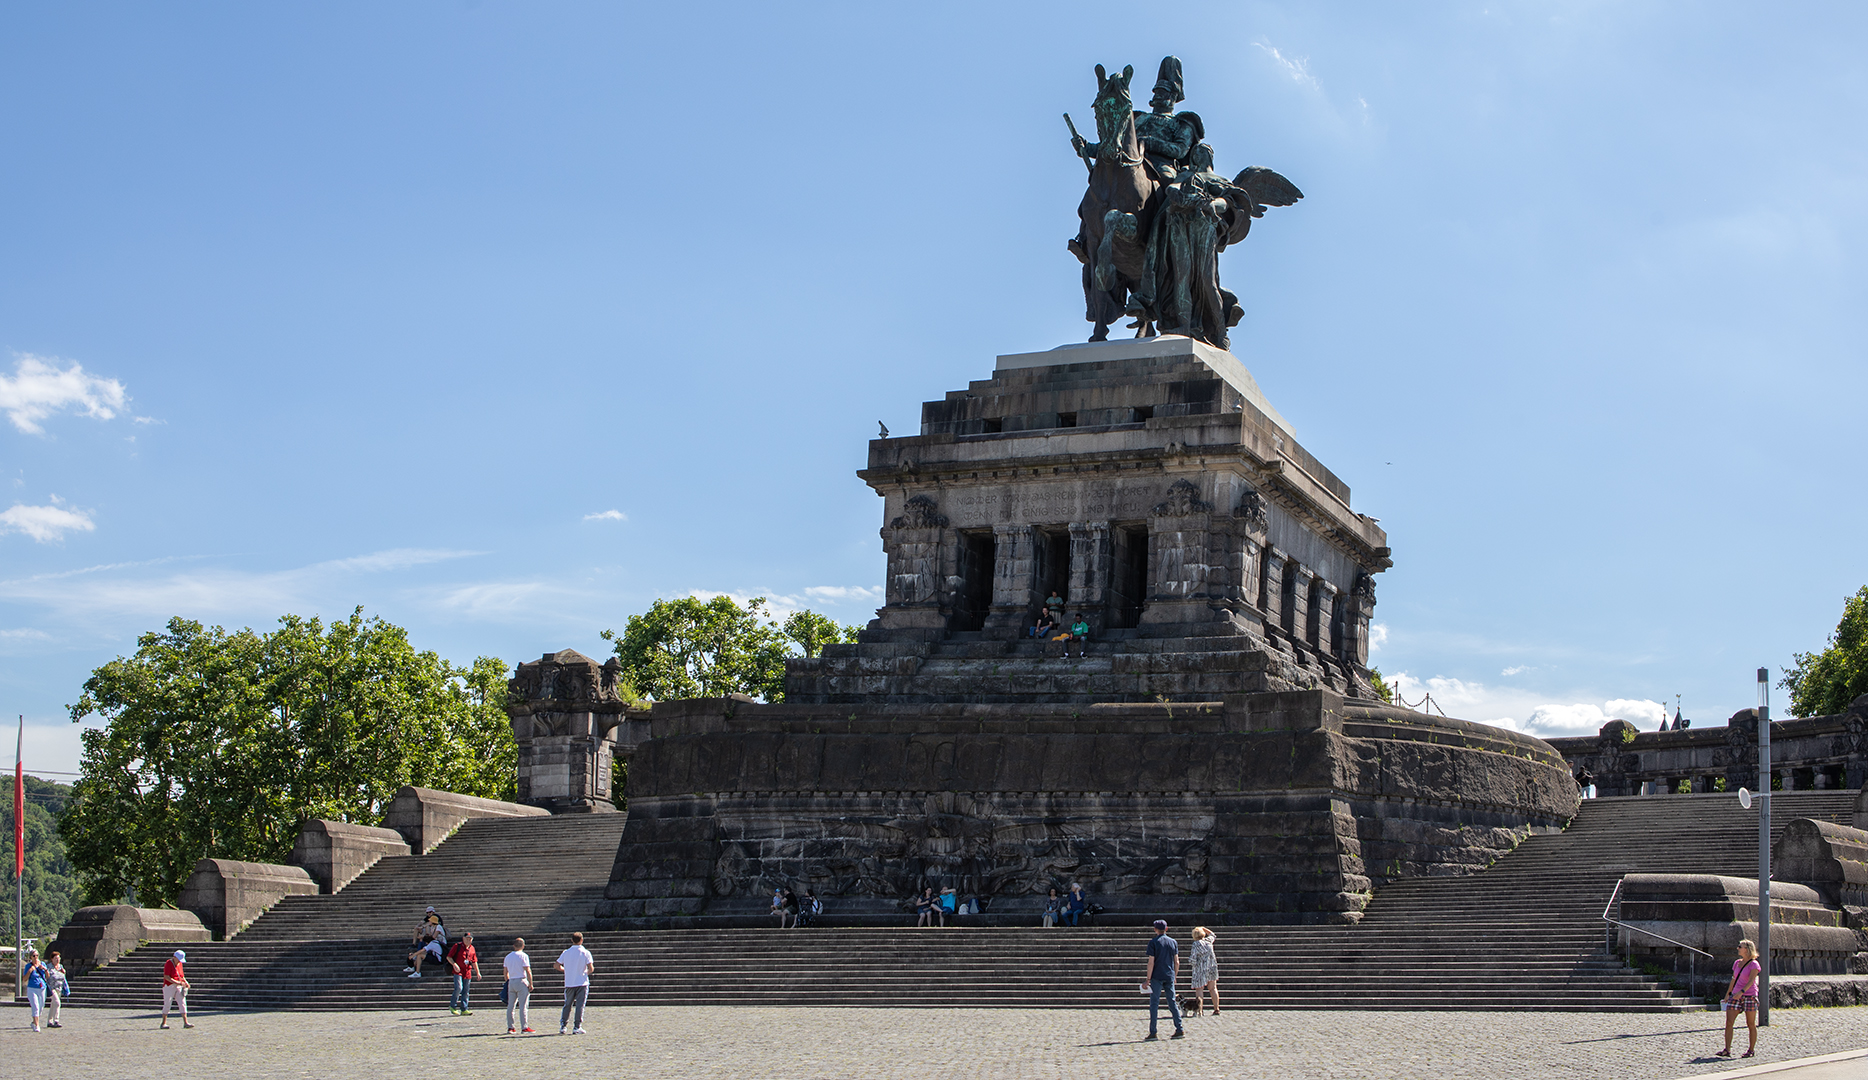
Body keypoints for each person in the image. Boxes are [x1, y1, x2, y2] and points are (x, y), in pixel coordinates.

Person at [1717, 938, 1762, 1059]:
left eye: (1740, 946)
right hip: (1735, 995)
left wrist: (1742, 992)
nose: (1738, 948)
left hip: (1749, 995)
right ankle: (1727, 1049)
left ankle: (1751, 1050)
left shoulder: (1754, 964)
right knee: (1729, 1022)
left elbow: (1751, 980)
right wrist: (1728, 994)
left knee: (1750, 1024)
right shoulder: (1737, 963)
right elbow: (1733, 979)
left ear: (1747, 949)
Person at [1142, 919, 1184, 1041]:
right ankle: (1179, 1028)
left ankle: (1153, 1032)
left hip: (1156, 976)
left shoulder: (1153, 942)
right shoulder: (1173, 942)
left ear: (1155, 929)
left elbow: (1151, 962)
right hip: (1169, 975)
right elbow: (1176, 961)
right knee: (1172, 1002)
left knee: (1154, 1004)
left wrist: (1147, 979)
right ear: (1166, 929)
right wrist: (1175, 976)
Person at [555, 931, 595, 1035]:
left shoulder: (566, 952)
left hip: (569, 982)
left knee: (567, 1004)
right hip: (581, 982)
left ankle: (563, 1025)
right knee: (580, 1005)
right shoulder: (585, 952)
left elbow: (556, 965)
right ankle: (577, 1026)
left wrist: (566, 970)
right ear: (582, 940)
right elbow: (591, 968)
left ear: (572, 940)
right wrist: (585, 973)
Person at [503, 937, 534, 1035]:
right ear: (523, 946)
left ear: (514, 945)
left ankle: (510, 1027)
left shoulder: (508, 957)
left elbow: (505, 972)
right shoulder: (523, 956)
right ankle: (524, 1026)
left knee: (510, 1006)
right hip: (521, 980)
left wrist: (507, 981)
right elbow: (527, 970)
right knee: (523, 1006)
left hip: (512, 981)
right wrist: (531, 983)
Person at [446, 930, 480, 1016]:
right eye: (467, 938)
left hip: (467, 971)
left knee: (466, 991)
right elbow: (449, 957)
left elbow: (474, 961)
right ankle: (453, 1006)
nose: (468, 940)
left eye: (470, 939)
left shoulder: (472, 948)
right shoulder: (457, 946)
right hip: (458, 971)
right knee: (459, 988)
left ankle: (464, 1008)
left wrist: (477, 972)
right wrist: (454, 964)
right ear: (463, 939)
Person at [406, 907, 447, 978]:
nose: (429, 922)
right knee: (421, 948)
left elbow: (432, 938)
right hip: (436, 950)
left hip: (439, 955)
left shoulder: (438, 929)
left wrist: (413, 955)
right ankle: (412, 966)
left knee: (420, 953)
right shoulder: (432, 929)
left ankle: (417, 972)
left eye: (430, 921)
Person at [1188, 926, 1220, 1015]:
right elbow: (1213, 935)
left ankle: (1200, 1010)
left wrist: (1190, 962)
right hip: (1211, 967)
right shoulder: (1209, 941)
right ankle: (1216, 1008)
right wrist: (1203, 928)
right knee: (1213, 988)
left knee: (1199, 990)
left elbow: (1193, 959)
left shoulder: (1196, 944)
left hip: (1200, 969)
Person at [161, 949, 192, 1029]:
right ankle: (163, 1022)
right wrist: (178, 982)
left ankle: (185, 1022)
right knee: (167, 1003)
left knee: (182, 1003)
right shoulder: (168, 963)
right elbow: (167, 977)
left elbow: (181, 976)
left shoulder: (180, 964)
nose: (179, 961)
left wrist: (186, 982)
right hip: (169, 986)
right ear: (174, 957)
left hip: (178, 985)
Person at [23, 946, 48, 1031]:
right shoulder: (28, 966)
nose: (36, 957)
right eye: (34, 955)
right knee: (35, 1007)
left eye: (37, 955)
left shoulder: (42, 964)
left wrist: (45, 969)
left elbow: (47, 977)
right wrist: (30, 971)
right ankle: (37, 1025)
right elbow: (24, 979)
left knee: (41, 1007)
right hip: (32, 988)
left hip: (42, 988)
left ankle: (34, 1021)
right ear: (31, 957)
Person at [44, 950, 67, 1029]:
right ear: (52, 959)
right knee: (57, 1003)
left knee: (53, 1005)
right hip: (51, 988)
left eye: (59, 958)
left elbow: (63, 977)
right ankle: (56, 1020)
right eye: (56, 958)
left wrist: (63, 973)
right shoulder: (49, 967)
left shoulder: (60, 967)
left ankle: (49, 1021)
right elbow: (47, 976)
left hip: (59, 988)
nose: (58, 959)